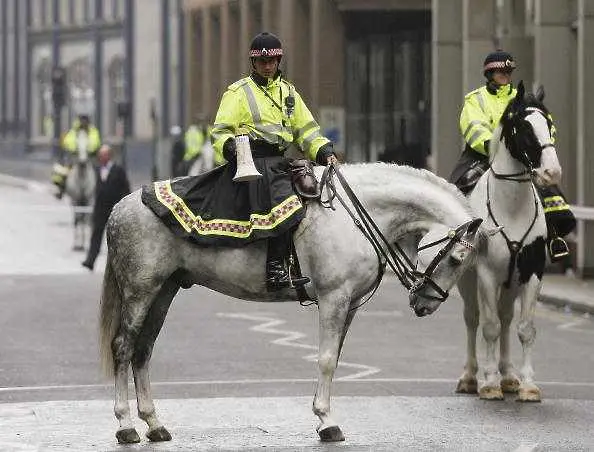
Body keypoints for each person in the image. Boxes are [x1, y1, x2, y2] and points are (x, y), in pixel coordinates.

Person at [449, 49, 575, 262]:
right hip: (482, 155)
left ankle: (554, 236)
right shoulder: (475, 99)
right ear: (489, 74)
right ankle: (460, 242)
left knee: (549, 188)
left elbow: (544, 126)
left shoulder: (523, 98)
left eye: (508, 72)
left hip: (521, 157)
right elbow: (473, 127)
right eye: (501, 72)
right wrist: (494, 148)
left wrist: (538, 148)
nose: (505, 75)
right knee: (456, 189)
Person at [82, 145, 131, 271]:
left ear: (109, 155)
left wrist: (124, 205)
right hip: (100, 209)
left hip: (114, 208)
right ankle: (90, 260)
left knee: (117, 237)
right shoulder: (95, 169)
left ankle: (119, 264)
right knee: (96, 234)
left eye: (104, 154)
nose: (101, 157)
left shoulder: (118, 170)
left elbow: (125, 188)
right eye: (100, 154)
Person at [51, 114, 102, 199]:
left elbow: (96, 141)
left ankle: (101, 191)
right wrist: (74, 148)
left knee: (100, 173)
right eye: (82, 121)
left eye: (85, 121)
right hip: (75, 157)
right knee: (64, 172)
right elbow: (68, 141)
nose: (83, 122)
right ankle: (61, 189)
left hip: (89, 157)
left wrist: (90, 149)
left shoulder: (93, 131)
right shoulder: (74, 131)